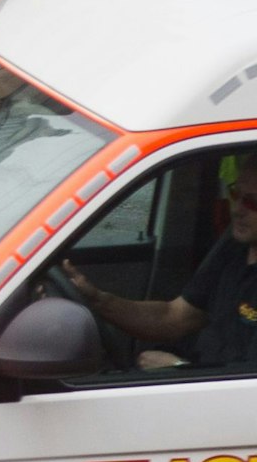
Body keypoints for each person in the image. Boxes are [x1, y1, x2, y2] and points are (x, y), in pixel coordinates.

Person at [63, 157, 257, 370]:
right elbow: (174, 316)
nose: (237, 210)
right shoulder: (235, 246)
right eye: (235, 194)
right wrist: (98, 301)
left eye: (252, 202)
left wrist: (178, 368)